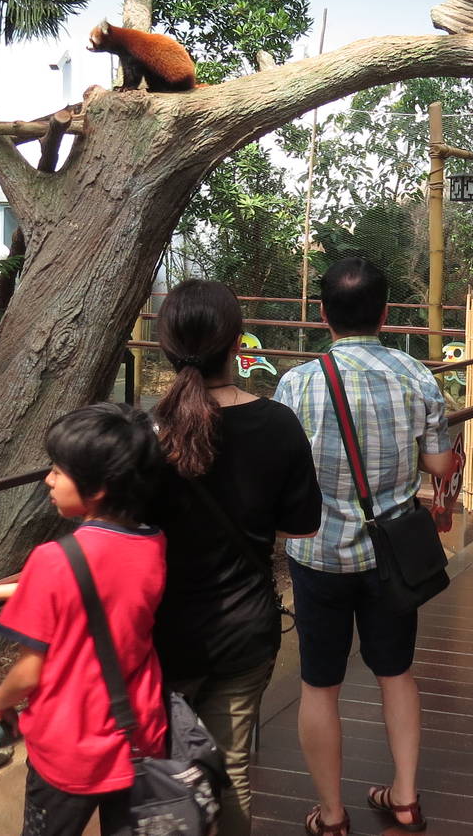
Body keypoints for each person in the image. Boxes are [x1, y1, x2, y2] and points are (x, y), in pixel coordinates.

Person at [273, 257, 455, 836]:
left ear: (323, 314)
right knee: (396, 673)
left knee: (319, 684)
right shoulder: (416, 376)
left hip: (318, 555)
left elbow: (283, 475)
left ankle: (331, 815)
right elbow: (439, 465)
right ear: (384, 313)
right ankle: (405, 798)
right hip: (391, 556)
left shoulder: (297, 383)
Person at [145, 279, 322, 836]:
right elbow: (304, 524)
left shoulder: (146, 433)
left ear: (166, 345)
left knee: (159, 772)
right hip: (244, 628)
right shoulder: (277, 423)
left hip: (160, 630)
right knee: (233, 770)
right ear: (237, 342)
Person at [0, 403, 166, 836]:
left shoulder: (53, 560)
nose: (49, 479)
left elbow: (29, 671)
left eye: (59, 471)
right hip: (137, 729)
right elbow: (104, 588)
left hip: (71, 742)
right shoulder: (152, 542)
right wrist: (2, 590)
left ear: (97, 489)